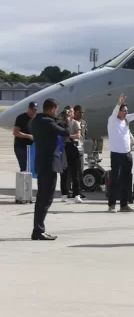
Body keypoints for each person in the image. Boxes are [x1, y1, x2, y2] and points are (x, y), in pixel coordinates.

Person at [30, 99, 70, 241]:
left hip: (42, 164)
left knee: (41, 198)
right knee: (46, 199)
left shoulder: (36, 121)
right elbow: (66, 132)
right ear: (52, 109)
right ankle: (39, 230)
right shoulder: (48, 122)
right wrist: (68, 120)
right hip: (49, 165)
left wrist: (59, 119)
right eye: (55, 109)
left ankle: (38, 229)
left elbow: (53, 127)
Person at [65, 106, 83, 203]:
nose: (69, 113)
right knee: (66, 172)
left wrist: (68, 135)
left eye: (70, 112)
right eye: (68, 112)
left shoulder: (76, 123)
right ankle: (67, 191)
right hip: (65, 148)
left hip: (75, 147)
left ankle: (77, 193)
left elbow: (78, 135)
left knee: (76, 172)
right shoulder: (63, 123)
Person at [13, 102, 37, 172]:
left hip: (31, 146)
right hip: (21, 146)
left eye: (35, 110)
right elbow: (15, 132)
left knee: (31, 168)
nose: (34, 112)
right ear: (29, 109)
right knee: (24, 168)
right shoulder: (21, 118)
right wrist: (28, 136)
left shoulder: (35, 119)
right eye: (32, 110)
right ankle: (23, 182)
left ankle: (28, 182)